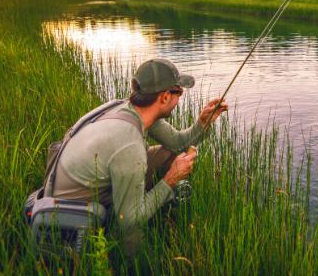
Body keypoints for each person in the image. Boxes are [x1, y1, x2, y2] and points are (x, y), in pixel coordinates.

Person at [51, 58, 228, 252]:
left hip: (92, 182)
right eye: (178, 92)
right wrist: (170, 180)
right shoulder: (128, 144)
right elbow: (127, 221)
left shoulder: (130, 109)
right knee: (133, 232)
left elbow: (178, 143)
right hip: (77, 210)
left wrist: (203, 122)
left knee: (170, 153)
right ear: (164, 97)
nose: (180, 97)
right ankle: (131, 260)